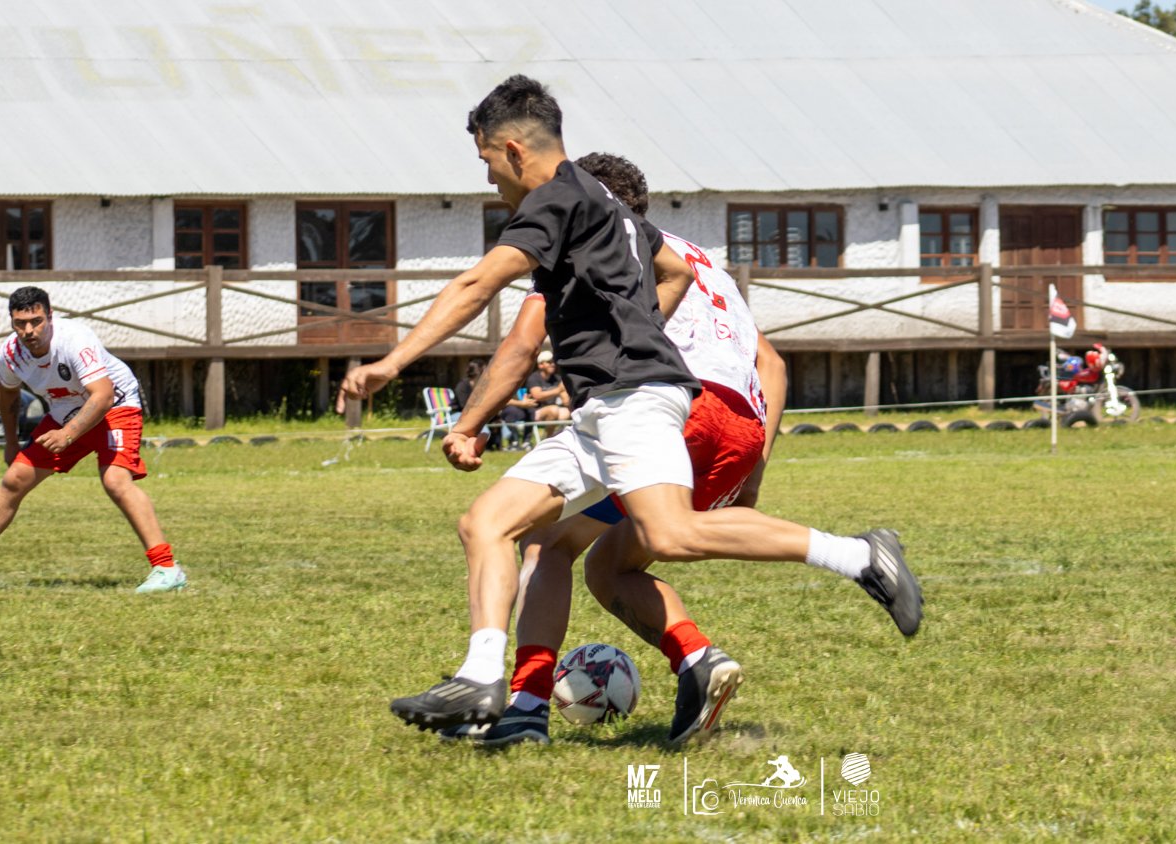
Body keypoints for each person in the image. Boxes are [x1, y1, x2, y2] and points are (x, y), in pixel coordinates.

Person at [337, 76, 921, 742]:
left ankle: (859, 556)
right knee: (487, 523)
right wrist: (633, 326)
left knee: (669, 535)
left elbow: (477, 285)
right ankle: (485, 681)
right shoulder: (609, 206)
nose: (490, 179)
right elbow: (677, 272)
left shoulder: (555, 200)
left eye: (488, 161)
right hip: (608, 408)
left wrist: (389, 363)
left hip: (636, 398)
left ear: (514, 150)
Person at [436, 151, 789, 746]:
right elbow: (771, 364)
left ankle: (525, 707)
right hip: (740, 429)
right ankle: (698, 659)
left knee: (544, 541)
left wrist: (469, 422)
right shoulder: (700, 260)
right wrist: (752, 471)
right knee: (611, 567)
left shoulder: (592, 246)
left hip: (670, 410)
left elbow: (522, 345)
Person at [0, 286, 186, 593]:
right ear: (12, 322)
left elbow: (103, 395)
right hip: (67, 412)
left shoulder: (74, 339)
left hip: (116, 406)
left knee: (115, 481)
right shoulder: (10, 354)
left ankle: (167, 569)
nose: (29, 330)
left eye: (36, 321)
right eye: (21, 323)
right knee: (14, 479)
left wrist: (68, 434)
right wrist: (11, 442)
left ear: (50, 317)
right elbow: (7, 394)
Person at [525, 350, 570, 437]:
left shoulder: (557, 378)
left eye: (553, 362)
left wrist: (569, 402)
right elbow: (537, 396)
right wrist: (558, 390)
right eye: (549, 362)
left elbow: (564, 398)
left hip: (553, 410)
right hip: (534, 411)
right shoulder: (534, 378)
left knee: (567, 412)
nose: (552, 364)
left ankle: (555, 437)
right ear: (540, 365)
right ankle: (548, 438)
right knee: (553, 410)